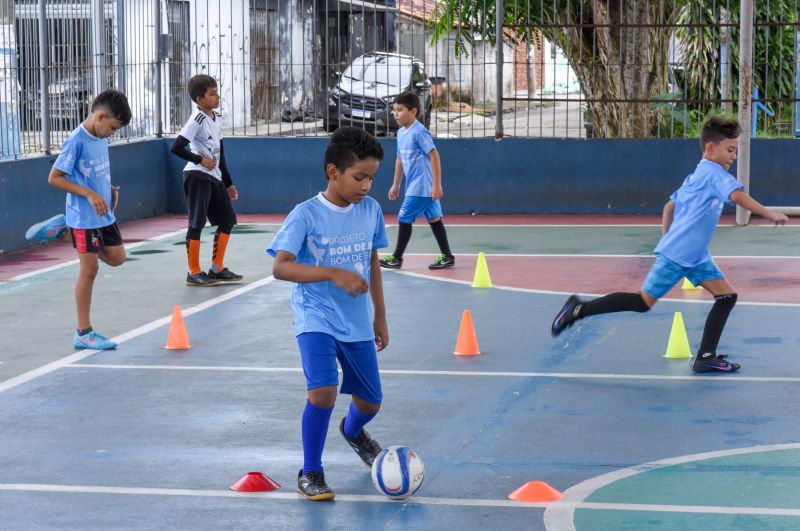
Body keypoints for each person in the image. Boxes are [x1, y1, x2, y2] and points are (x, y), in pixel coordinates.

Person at [551, 116, 788, 373]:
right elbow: (737, 196)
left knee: (727, 296)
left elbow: (669, 207)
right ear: (710, 148)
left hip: (695, 256)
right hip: (680, 255)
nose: (733, 156)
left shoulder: (697, 174)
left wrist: (667, 238)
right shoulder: (713, 173)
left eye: (735, 151)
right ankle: (579, 309)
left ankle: (706, 357)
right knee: (642, 302)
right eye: (730, 150)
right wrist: (769, 213)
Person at [268, 127, 389, 501]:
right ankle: (311, 471)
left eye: (372, 177)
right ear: (333, 171)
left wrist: (379, 315)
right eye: (360, 177)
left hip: (355, 322)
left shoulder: (370, 211)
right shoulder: (306, 215)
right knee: (323, 393)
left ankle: (353, 431)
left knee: (370, 403)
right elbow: (281, 268)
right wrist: (332, 272)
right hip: (316, 318)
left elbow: (372, 261)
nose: (367, 186)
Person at [44, 89, 132, 350]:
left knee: (117, 258)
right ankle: (84, 332)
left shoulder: (100, 136)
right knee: (89, 269)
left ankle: (62, 233)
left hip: (104, 213)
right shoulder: (76, 140)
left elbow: (94, 172)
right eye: (113, 127)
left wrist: (108, 191)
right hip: (84, 217)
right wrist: (90, 194)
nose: (113, 133)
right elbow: (55, 178)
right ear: (100, 116)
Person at [170, 74, 242, 286]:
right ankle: (193, 272)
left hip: (214, 177)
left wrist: (228, 182)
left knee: (227, 219)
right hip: (197, 176)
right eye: (212, 94)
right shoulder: (197, 120)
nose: (217, 97)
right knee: (197, 223)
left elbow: (221, 154)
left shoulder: (216, 118)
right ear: (199, 99)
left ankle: (217, 268)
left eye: (216, 92)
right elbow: (176, 147)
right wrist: (199, 159)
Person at [380, 91, 454, 270]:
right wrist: (396, 184)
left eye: (400, 110)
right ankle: (447, 256)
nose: (395, 114)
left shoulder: (420, 132)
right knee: (435, 219)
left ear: (413, 112)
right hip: (415, 186)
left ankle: (397, 257)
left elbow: (434, 156)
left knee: (404, 217)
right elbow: (399, 159)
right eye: (394, 110)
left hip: (423, 187)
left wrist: (436, 184)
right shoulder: (400, 133)